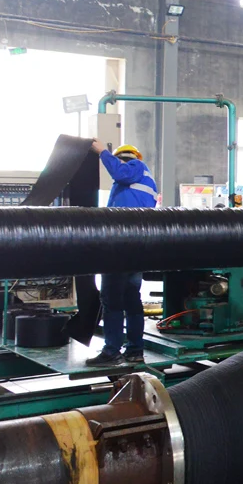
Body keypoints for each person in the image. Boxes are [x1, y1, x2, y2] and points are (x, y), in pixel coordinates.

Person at [85, 142, 158, 367]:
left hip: (121, 248)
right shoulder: (134, 186)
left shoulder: (136, 168)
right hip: (136, 248)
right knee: (131, 300)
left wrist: (102, 152)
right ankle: (135, 350)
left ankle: (112, 351)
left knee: (112, 300)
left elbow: (119, 171)